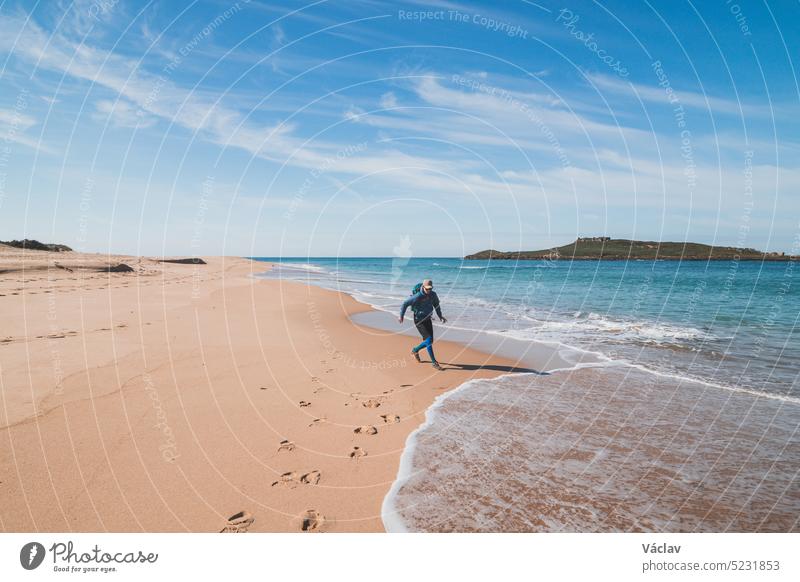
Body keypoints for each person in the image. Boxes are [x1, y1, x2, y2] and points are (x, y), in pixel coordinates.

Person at [399, 279, 447, 370]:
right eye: (427, 289)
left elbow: (436, 305)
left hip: (428, 319)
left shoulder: (433, 295)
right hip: (419, 320)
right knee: (428, 340)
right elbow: (405, 304)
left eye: (431, 288)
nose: (429, 290)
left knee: (430, 341)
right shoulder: (417, 296)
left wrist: (440, 316)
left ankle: (415, 350)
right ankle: (434, 362)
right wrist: (401, 316)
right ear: (423, 287)